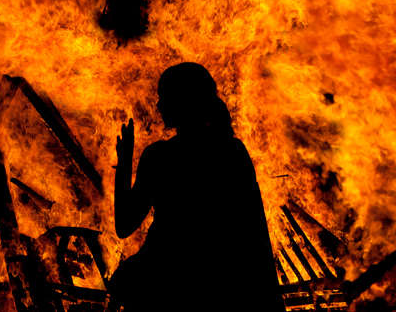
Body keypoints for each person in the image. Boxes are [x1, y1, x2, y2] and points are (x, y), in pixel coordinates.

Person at [109, 62, 284, 311]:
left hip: (163, 282)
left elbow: (124, 225)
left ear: (184, 101)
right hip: (224, 283)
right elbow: (255, 232)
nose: (159, 105)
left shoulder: (160, 156)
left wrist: (125, 162)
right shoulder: (233, 151)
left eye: (165, 97)